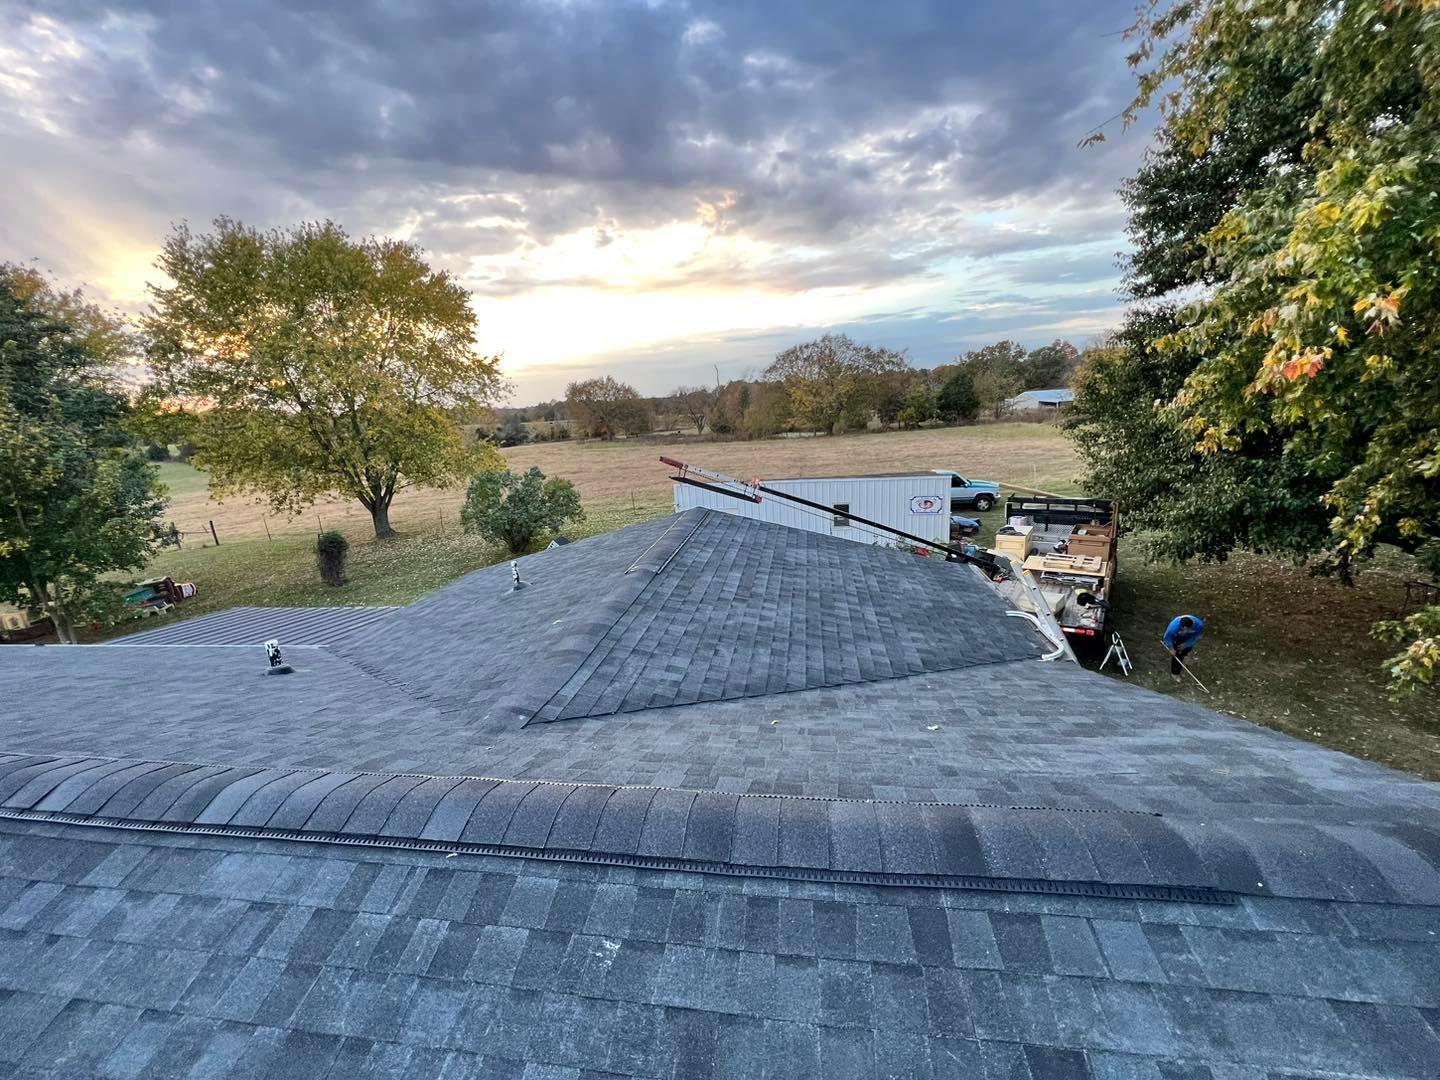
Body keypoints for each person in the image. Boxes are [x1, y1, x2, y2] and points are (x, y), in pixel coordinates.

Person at [1163, 614, 1205, 681]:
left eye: (1186, 629)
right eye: (1183, 628)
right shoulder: (1174, 626)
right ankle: (1175, 673)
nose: (1184, 630)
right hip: (1177, 635)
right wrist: (1171, 648)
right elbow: (1167, 637)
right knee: (1177, 654)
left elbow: (1195, 637)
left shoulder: (1199, 625)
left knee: (1184, 651)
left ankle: (1184, 653)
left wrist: (1187, 644)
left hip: (1188, 638)